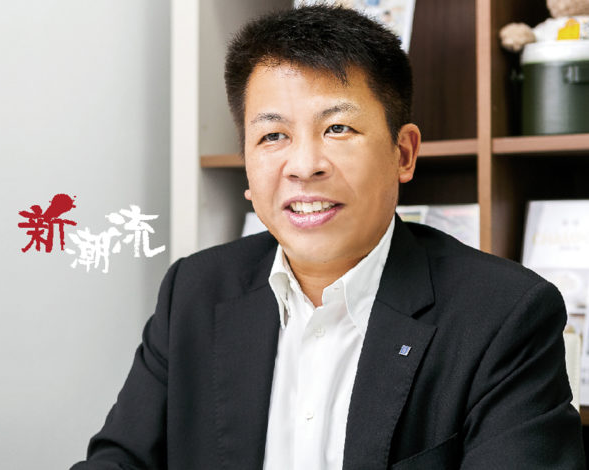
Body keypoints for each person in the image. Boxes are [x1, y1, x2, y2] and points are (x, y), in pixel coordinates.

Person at [72, 5, 585, 469]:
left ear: (403, 154)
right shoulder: (194, 292)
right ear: (247, 166)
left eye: (338, 129)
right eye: (273, 136)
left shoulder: (502, 315)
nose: (304, 166)